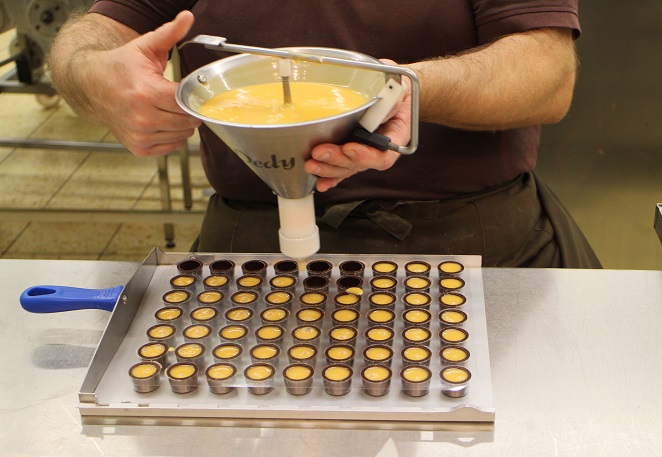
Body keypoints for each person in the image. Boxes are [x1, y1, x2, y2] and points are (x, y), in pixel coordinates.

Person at [48, 0, 601, 268]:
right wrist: (93, 74)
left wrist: (407, 89)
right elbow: (92, 35)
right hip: (252, 242)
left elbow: (547, 73)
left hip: (471, 240)